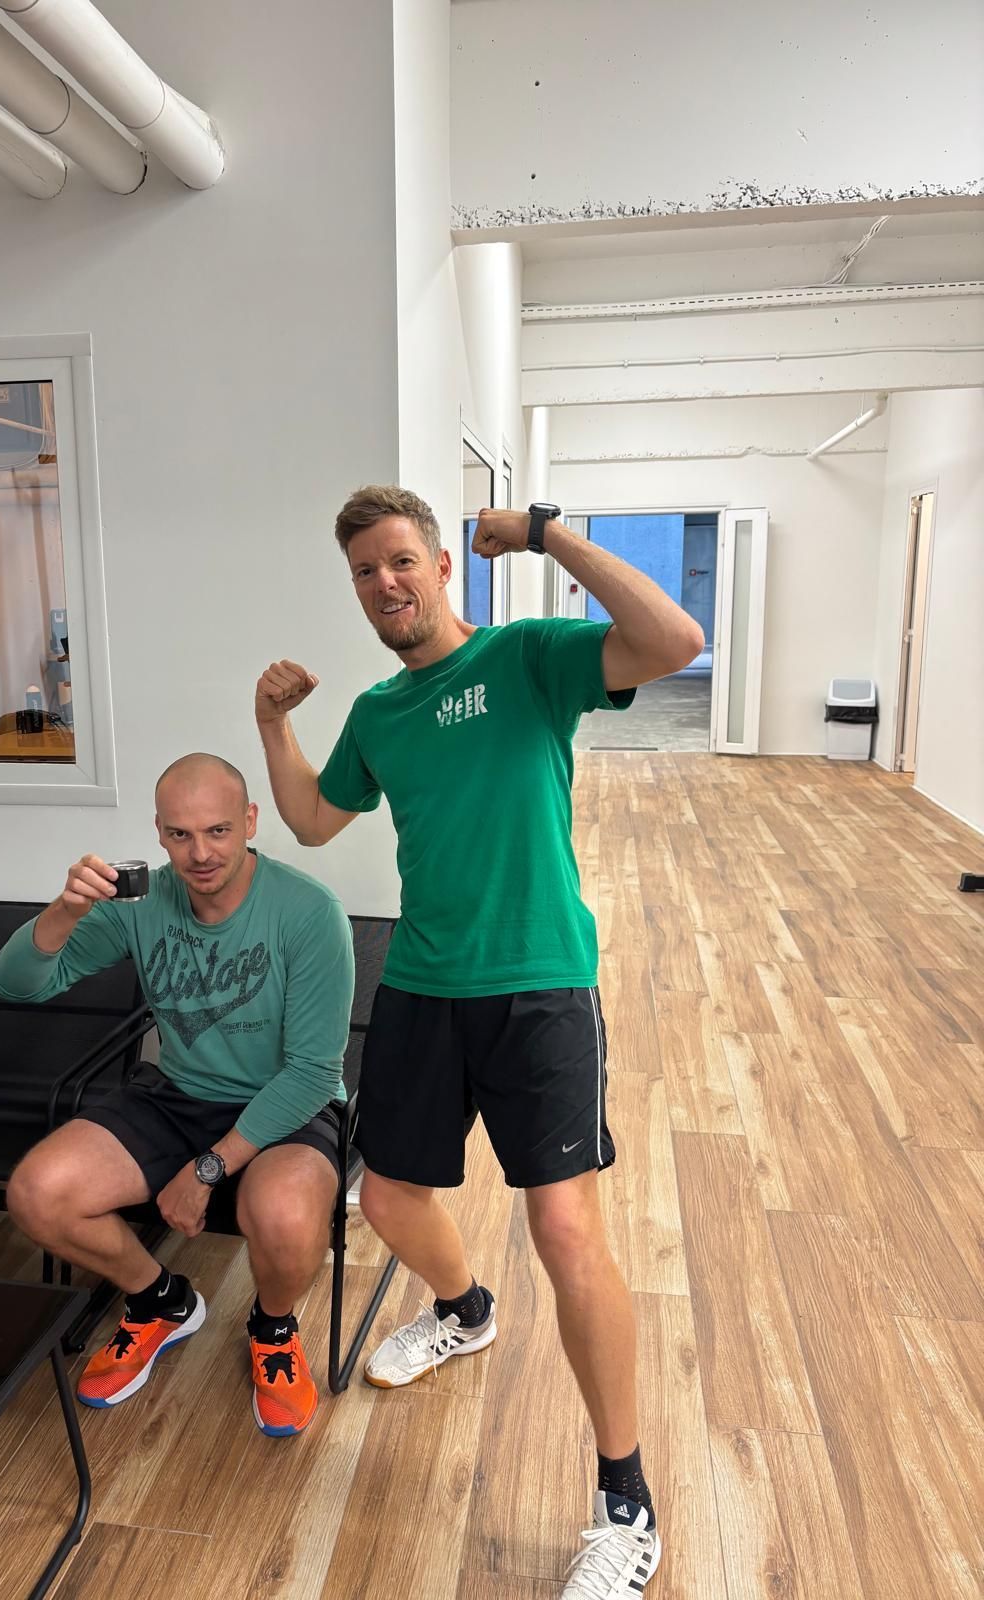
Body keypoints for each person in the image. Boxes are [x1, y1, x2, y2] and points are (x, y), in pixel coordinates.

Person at [254, 489, 703, 1597]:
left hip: (541, 980)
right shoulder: (378, 713)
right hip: (420, 980)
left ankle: (625, 1497)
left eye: (400, 561)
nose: (384, 585)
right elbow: (315, 821)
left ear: (443, 566)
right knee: (391, 1198)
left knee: (562, 1223)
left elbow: (675, 639)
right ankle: (465, 1313)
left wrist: (548, 535)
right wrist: (272, 723)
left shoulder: (528, 661)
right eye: (364, 571)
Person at [0, 753, 354, 1436]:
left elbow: (311, 1072)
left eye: (218, 831)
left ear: (249, 822)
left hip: (287, 1106)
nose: (200, 853)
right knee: (38, 1193)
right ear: (158, 833)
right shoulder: (142, 903)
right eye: (181, 835)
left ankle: (273, 1327)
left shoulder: (310, 912)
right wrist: (67, 909)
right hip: (179, 1094)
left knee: (282, 1217)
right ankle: (159, 1300)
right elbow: (18, 983)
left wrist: (209, 1167)